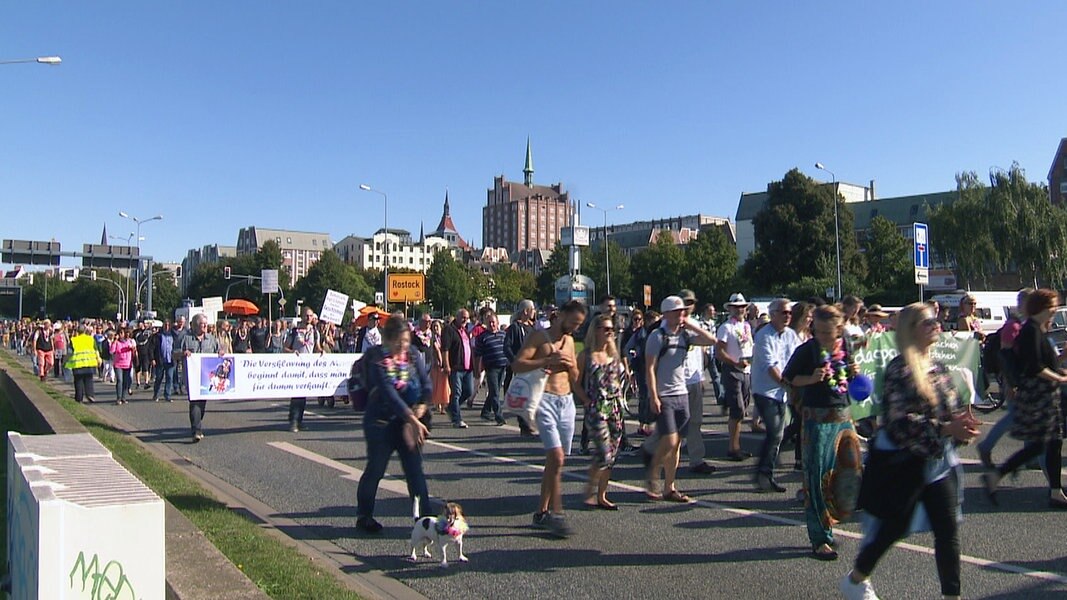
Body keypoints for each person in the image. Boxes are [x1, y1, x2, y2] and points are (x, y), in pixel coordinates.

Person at [842, 303, 981, 600]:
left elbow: (952, 409)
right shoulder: (899, 369)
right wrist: (945, 429)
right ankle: (856, 578)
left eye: (936, 321)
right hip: (907, 463)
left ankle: (951, 596)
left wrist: (962, 426)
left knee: (948, 531)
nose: (936, 325)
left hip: (939, 463)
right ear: (911, 330)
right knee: (894, 527)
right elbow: (899, 423)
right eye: (928, 322)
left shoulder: (937, 367)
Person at [783, 304, 861, 561]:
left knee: (848, 472)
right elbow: (789, 378)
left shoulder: (845, 344)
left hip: (843, 415)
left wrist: (852, 373)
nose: (825, 337)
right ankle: (820, 538)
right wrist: (810, 379)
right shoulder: (806, 351)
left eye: (830, 332)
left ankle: (837, 516)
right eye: (820, 331)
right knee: (816, 477)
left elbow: (846, 377)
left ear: (839, 328)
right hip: (816, 418)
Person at [982, 288, 1067, 509]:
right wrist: (1059, 378)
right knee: (1042, 444)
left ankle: (1055, 491)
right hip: (1038, 396)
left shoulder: (1038, 329)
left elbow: (1044, 362)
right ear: (1042, 307)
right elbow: (1034, 367)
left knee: (1050, 443)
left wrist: (1060, 371)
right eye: (1053, 306)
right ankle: (999, 475)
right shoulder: (1030, 331)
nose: (1055, 309)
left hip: (1046, 395)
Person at [512, 300, 586, 538]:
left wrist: (571, 368)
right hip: (544, 399)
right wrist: (547, 361)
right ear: (561, 315)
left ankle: (541, 512)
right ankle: (557, 512)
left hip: (566, 403)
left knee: (555, 462)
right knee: (556, 456)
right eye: (573, 322)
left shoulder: (570, 341)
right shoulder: (538, 337)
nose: (574, 328)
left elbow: (574, 375)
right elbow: (517, 365)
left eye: (578, 325)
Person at [355, 313, 433, 534]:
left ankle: (425, 521)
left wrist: (422, 406)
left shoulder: (414, 356)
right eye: (399, 341)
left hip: (408, 423)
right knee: (376, 469)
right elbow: (390, 394)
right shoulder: (377, 359)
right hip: (380, 421)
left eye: (406, 341)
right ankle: (365, 515)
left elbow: (427, 385)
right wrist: (412, 418)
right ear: (388, 339)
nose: (403, 346)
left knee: (415, 471)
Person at [644, 295, 717, 502]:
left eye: (683, 312)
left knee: (676, 445)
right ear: (666, 314)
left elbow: (711, 341)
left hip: (681, 393)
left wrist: (691, 325)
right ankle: (652, 472)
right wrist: (653, 396)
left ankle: (669, 487)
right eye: (676, 312)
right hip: (665, 394)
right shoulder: (657, 337)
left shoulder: (685, 336)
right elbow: (649, 368)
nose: (681, 315)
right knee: (671, 438)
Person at [574, 313, 626, 510]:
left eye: (611, 329)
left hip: (614, 408)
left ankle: (602, 495)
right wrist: (586, 401)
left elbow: (618, 380)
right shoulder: (586, 356)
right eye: (605, 329)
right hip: (596, 409)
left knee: (612, 454)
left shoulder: (613, 355)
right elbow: (576, 383)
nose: (609, 333)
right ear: (595, 331)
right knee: (604, 453)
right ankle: (589, 488)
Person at [977, 288, 1034, 468]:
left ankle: (1031, 457)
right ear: (1023, 303)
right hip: (1012, 380)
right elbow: (1005, 357)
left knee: (1025, 417)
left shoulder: (1023, 324)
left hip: (1020, 379)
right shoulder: (1012, 326)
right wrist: (1009, 383)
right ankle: (986, 446)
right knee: (1014, 416)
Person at [751, 298, 801, 493]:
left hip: (784, 392)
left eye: (789, 313)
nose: (788, 316)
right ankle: (764, 474)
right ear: (772, 315)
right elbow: (771, 368)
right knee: (775, 433)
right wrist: (789, 386)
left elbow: (796, 359)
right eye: (783, 312)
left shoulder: (791, 335)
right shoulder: (764, 336)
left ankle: (765, 471)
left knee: (778, 433)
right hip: (766, 391)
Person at [717, 293, 755, 460]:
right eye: (737, 307)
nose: (740, 310)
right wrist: (735, 362)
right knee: (737, 409)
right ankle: (733, 447)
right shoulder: (726, 327)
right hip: (732, 371)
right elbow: (719, 352)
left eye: (742, 307)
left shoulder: (746, 326)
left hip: (746, 371)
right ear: (730, 309)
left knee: (742, 410)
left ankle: (736, 445)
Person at [181, 313, 221, 442]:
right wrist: (183, 353)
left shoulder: (211, 339)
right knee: (195, 402)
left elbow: (218, 351)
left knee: (202, 404)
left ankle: (197, 423)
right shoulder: (186, 339)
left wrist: (221, 353)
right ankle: (196, 430)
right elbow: (174, 353)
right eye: (201, 324)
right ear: (195, 325)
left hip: (206, 378)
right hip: (192, 377)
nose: (204, 326)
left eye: (205, 323)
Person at [284, 308, 323, 432]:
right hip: (296, 367)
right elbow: (285, 348)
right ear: (301, 316)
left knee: (303, 395)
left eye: (311, 316)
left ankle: (299, 420)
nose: (308, 318)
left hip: (308, 368)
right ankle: (293, 421)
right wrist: (292, 352)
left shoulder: (315, 332)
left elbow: (316, 347)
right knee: (297, 394)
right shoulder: (295, 332)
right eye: (306, 315)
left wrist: (321, 351)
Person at [504, 300, 537, 434]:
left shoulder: (532, 328)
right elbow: (506, 347)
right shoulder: (515, 328)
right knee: (523, 395)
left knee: (532, 396)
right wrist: (514, 362)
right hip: (521, 367)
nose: (534, 312)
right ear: (525, 311)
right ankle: (524, 425)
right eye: (532, 309)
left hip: (532, 367)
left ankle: (529, 422)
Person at [441, 309, 474, 429]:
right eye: (463, 317)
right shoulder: (449, 330)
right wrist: (446, 365)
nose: (465, 320)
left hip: (467, 368)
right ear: (457, 317)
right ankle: (457, 419)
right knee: (456, 393)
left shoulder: (465, 331)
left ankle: (452, 408)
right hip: (455, 367)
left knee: (469, 391)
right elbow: (445, 349)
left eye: (467, 318)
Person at [621, 310, 652, 435]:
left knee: (650, 397)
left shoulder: (654, 333)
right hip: (641, 367)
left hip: (653, 368)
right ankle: (643, 425)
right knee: (644, 396)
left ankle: (648, 424)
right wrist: (633, 359)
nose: (638, 321)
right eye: (635, 319)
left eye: (640, 319)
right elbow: (626, 348)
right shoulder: (638, 333)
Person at [475, 312, 508, 425]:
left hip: (503, 366)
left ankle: (485, 411)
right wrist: (477, 370)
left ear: (498, 323)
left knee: (496, 391)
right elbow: (478, 355)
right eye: (489, 323)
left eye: (493, 322)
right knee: (494, 392)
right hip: (491, 368)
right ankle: (499, 416)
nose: (492, 324)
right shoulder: (482, 337)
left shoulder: (503, 335)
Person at [66, 324, 101, 403]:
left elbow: (69, 353)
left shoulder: (73, 340)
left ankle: (79, 398)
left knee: (78, 381)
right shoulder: (90, 339)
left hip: (77, 364)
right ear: (85, 331)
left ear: (77, 331)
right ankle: (90, 395)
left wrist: (66, 362)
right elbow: (96, 350)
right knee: (89, 380)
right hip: (89, 363)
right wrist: (98, 359)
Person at [150, 318, 180, 402]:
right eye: (165, 325)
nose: (166, 327)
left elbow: (176, 347)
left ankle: (167, 395)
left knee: (169, 377)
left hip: (170, 360)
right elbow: (152, 348)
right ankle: (156, 394)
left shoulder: (173, 335)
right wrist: (152, 359)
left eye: (168, 325)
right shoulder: (158, 336)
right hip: (160, 360)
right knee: (159, 378)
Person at [110, 327, 137, 405]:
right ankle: (118, 398)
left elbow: (134, 352)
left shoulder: (129, 342)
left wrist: (133, 349)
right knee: (120, 380)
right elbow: (111, 351)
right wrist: (114, 341)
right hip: (118, 364)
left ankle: (123, 397)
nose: (121, 335)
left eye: (122, 333)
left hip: (127, 364)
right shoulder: (116, 342)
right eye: (120, 333)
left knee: (125, 381)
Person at [429, 319, 450, 415]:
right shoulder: (433, 339)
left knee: (444, 385)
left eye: (437, 326)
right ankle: (438, 404)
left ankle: (443, 404)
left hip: (443, 363)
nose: (436, 328)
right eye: (434, 327)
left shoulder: (444, 338)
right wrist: (442, 362)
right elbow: (437, 351)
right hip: (436, 364)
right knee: (436, 385)